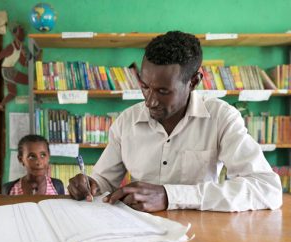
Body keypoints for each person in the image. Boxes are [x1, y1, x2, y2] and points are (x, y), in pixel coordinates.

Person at [68, 31, 283, 212]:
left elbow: (266, 189)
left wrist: (170, 196)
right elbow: (104, 182)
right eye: (144, 86)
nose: (150, 101)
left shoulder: (221, 117)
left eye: (163, 91)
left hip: (201, 234)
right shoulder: (126, 122)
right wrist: (90, 185)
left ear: (194, 82)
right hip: (137, 232)